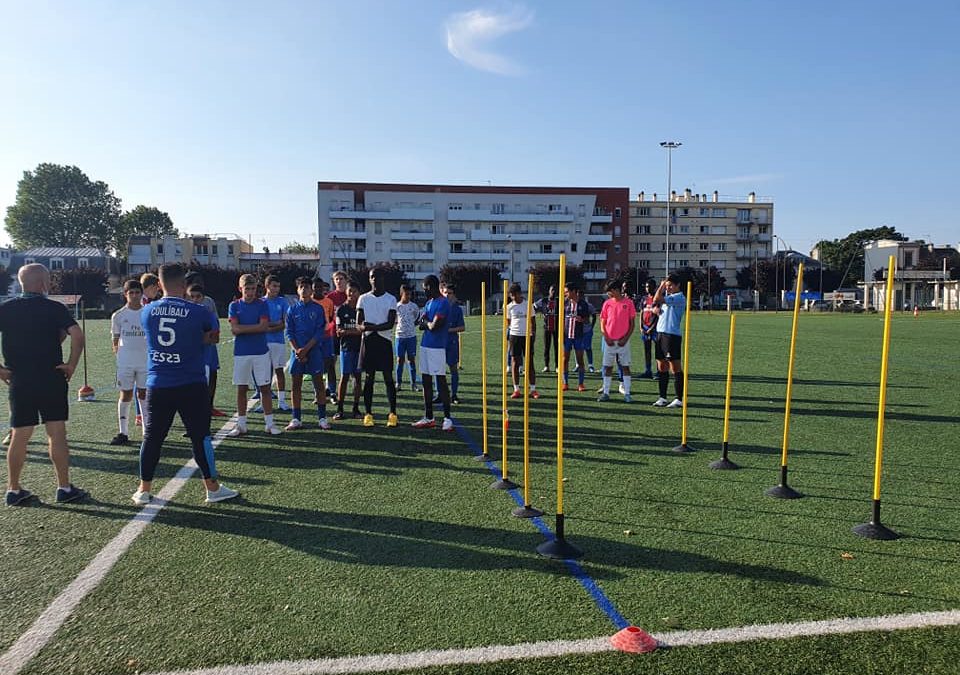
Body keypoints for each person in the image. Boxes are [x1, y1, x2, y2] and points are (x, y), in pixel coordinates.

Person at [134, 263, 237, 505]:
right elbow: (214, 337)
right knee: (200, 436)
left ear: (159, 285)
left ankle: (143, 489)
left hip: (158, 382)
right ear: (184, 285)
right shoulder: (198, 311)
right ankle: (212, 488)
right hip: (191, 382)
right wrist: (193, 338)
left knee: (152, 437)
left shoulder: (147, 311)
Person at [2, 263, 87, 506]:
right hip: (51, 377)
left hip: (19, 378)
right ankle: (64, 487)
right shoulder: (54, 308)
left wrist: (0, 370)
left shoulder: (6, 309)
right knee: (56, 433)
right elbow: (77, 335)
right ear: (43, 284)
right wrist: (71, 364)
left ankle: (13, 489)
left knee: (20, 435)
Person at [227, 274, 282, 436]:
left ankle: (269, 424)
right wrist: (254, 327)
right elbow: (235, 329)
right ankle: (241, 425)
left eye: (253, 289)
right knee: (242, 388)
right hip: (241, 354)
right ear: (240, 289)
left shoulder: (262, 304)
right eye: (247, 289)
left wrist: (243, 329)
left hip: (261, 353)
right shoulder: (234, 306)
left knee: (265, 388)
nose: (250, 292)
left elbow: (263, 327)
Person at [284, 276, 330, 430]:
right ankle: (296, 418)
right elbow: (289, 332)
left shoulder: (317, 309)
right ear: (297, 290)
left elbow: (319, 332)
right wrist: (297, 350)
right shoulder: (292, 309)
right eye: (301, 287)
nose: (304, 290)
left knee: (318, 383)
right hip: (297, 352)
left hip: (314, 351)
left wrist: (306, 349)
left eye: (307, 287)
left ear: (311, 290)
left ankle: (322, 418)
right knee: (296, 384)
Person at [356, 267, 398, 427]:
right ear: (369, 279)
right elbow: (359, 324)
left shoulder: (391, 299)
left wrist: (371, 327)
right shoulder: (363, 298)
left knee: (388, 378)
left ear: (383, 279)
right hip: (368, 342)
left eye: (378, 277)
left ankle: (393, 413)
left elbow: (389, 324)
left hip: (384, 341)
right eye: (372, 277)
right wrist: (364, 327)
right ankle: (368, 413)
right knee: (369, 379)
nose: (375, 279)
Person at [109, 279, 148, 446]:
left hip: (145, 362)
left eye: (137, 292)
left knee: (144, 395)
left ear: (141, 294)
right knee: (125, 394)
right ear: (125, 295)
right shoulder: (118, 315)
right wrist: (120, 358)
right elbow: (115, 341)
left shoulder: (147, 312)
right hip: (125, 363)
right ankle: (123, 432)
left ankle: (148, 432)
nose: (134, 296)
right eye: (130, 293)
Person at [413, 275, 453, 431]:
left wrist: (426, 323)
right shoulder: (429, 303)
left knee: (441, 382)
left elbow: (434, 326)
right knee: (426, 381)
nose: (424, 291)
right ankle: (429, 416)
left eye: (425, 287)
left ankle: (447, 418)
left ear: (430, 286)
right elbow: (421, 324)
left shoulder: (443, 303)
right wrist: (426, 323)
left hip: (437, 347)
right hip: (425, 345)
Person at [184, 271, 225, 416]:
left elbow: (215, 325)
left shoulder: (208, 302)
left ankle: (209, 406)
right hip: (191, 350)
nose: (195, 299)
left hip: (208, 348)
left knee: (211, 374)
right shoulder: (184, 303)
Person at [652, 274, 687, 408]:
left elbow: (657, 298)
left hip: (672, 335)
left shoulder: (678, 297)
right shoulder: (668, 299)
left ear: (678, 285)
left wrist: (660, 286)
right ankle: (662, 397)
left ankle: (679, 398)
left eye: (670, 285)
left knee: (675, 367)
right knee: (661, 366)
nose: (668, 288)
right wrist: (656, 309)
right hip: (660, 333)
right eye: (666, 286)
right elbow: (656, 304)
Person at [598, 279, 636, 402]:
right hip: (609, 341)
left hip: (623, 342)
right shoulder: (607, 304)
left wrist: (625, 338)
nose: (608, 294)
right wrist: (606, 337)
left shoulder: (629, 303)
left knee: (625, 366)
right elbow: (602, 322)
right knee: (608, 367)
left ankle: (627, 393)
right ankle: (606, 392)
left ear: (615, 290)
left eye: (610, 291)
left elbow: (632, 324)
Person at [261, 275, 291, 412]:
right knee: (265, 373)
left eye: (278, 286)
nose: (276, 289)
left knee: (279, 371)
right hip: (264, 342)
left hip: (278, 342)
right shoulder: (260, 302)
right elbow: (261, 323)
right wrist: (273, 324)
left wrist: (270, 326)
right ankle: (264, 402)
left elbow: (284, 323)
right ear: (267, 286)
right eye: (274, 286)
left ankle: (282, 401)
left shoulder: (283, 302)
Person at [334, 282, 363, 419]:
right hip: (346, 348)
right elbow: (339, 332)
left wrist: (349, 331)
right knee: (344, 377)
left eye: (355, 291)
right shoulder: (341, 309)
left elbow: (363, 330)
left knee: (357, 377)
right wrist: (355, 331)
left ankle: (356, 408)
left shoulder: (361, 310)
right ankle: (340, 409)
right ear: (346, 292)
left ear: (359, 293)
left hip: (360, 348)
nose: (352, 294)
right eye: (350, 291)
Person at [507, 283, 539, 400]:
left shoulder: (528, 305)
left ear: (519, 294)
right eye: (511, 296)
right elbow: (508, 322)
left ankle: (533, 389)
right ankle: (516, 389)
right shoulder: (509, 307)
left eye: (514, 295)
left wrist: (533, 334)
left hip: (527, 336)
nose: (513, 298)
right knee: (515, 361)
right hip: (514, 336)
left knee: (529, 362)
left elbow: (533, 322)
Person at [561, 282, 591, 392]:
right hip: (566, 336)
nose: (565, 294)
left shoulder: (583, 304)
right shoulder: (564, 303)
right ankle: (565, 383)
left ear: (573, 291)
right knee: (565, 359)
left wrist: (581, 319)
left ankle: (581, 384)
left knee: (580, 360)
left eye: (567, 291)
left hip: (578, 336)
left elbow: (587, 320)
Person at [312, 277, 338, 402]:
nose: (318, 289)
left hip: (327, 338)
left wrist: (327, 327)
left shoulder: (329, 302)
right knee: (315, 366)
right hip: (313, 339)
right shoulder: (309, 302)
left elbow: (332, 318)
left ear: (324, 288)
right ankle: (318, 393)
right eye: (315, 287)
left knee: (330, 365)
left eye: (320, 287)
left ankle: (332, 392)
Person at [441, 283, 465, 404]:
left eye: (449, 293)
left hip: (452, 342)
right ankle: (440, 394)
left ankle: (454, 394)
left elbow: (462, 327)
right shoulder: (439, 306)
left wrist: (449, 330)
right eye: (445, 293)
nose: (447, 295)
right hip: (439, 342)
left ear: (453, 295)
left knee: (453, 369)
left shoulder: (457, 309)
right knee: (438, 370)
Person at [394, 284, 420, 391]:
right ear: (401, 294)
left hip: (411, 337)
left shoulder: (414, 306)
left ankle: (413, 384)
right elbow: (394, 320)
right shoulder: (396, 306)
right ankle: (398, 383)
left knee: (411, 360)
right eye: (406, 294)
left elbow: (417, 318)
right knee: (400, 360)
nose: (408, 296)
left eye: (410, 294)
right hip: (400, 337)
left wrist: (412, 325)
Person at [534, 285, 559, 373]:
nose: (553, 291)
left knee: (557, 347)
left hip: (557, 328)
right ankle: (546, 366)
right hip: (547, 327)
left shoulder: (559, 301)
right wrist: (538, 312)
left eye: (555, 290)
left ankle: (557, 366)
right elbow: (534, 306)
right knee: (546, 347)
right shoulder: (544, 300)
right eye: (552, 290)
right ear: (549, 291)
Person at [639, 278, 660, 379]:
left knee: (658, 350)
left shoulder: (657, 299)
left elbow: (658, 316)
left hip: (654, 329)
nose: (647, 288)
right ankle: (648, 371)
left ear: (654, 287)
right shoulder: (644, 299)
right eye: (646, 286)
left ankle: (659, 371)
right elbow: (642, 312)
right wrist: (641, 326)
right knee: (647, 350)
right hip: (645, 328)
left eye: (649, 286)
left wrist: (652, 327)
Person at [582, 299, 597, 372]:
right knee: (578, 348)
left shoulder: (588, 305)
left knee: (588, 347)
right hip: (578, 330)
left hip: (587, 329)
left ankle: (590, 365)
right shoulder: (574, 305)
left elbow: (594, 315)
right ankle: (578, 365)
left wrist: (592, 326)